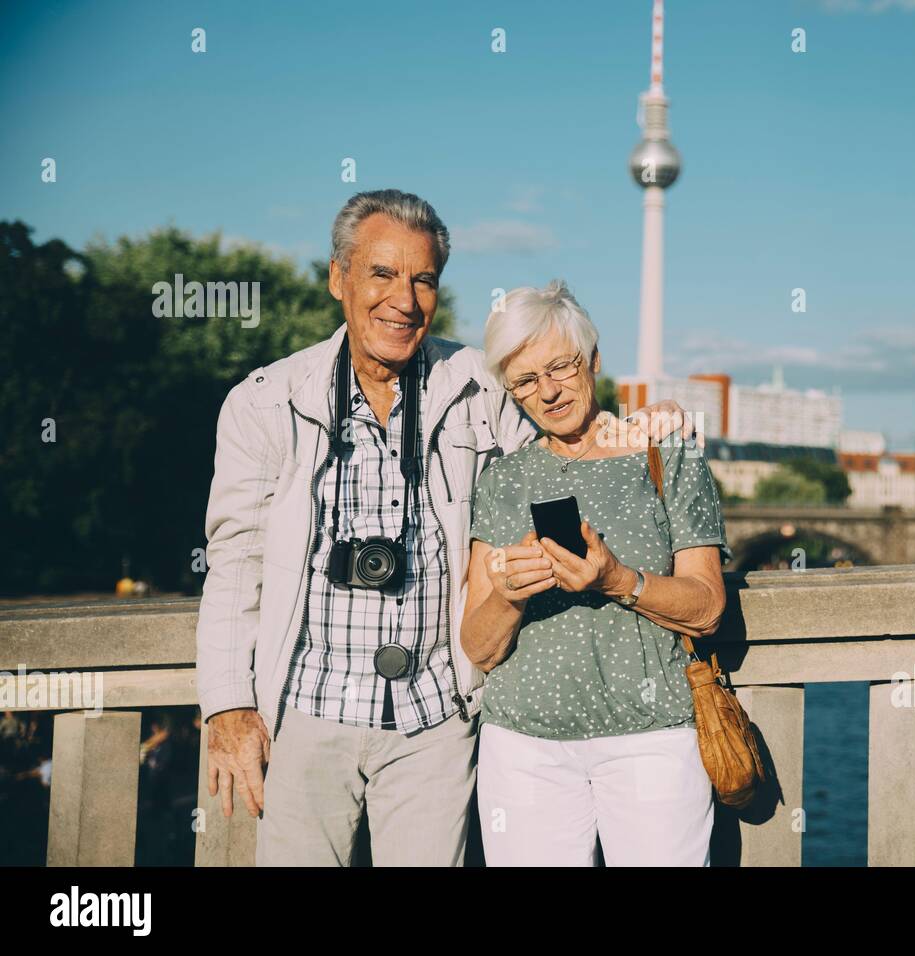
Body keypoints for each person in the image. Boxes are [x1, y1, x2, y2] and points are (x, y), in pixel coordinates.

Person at [196, 190, 695, 866]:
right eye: (381, 274)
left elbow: (562, 444)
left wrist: (634, 427)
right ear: (339, 277)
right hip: (307, 711)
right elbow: (234, 562)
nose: (404, 299)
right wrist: (228, 706)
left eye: (423, 279)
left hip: (435, 717)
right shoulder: (265, 402)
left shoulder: (477, 386)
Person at [462, 280, 730, 866]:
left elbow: (708, 608)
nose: (550, 392)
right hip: (523, 747)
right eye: (526, 380)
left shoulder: (668, 454)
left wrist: (616, 579)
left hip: (653, 739)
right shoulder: (504, 480)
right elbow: (479, 649)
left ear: (595, 360)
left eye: (561, 366)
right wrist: (508, 597)